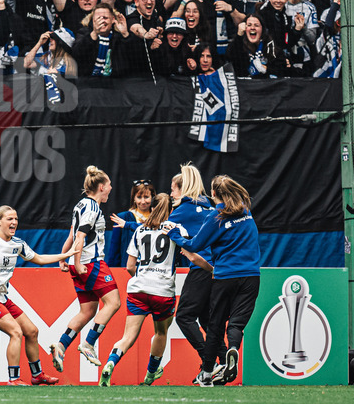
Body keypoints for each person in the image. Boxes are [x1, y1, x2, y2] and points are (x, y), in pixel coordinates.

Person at [166, 175, 261, 386]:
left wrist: (176, 235)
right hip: (252, 276)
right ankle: (233, 350)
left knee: (215, 326)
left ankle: (207, 373)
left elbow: (195, 245)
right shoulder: (246, 213)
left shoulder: (217, 216)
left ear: (214, 194)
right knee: (236, 323)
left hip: (225, 276)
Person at [0, 206, 77, 385]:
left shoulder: (18, 244)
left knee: (31, 331)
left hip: (2, 298)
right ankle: (13, 379)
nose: (14, 222)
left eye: (15, 219)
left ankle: (37, 375)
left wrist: (65, 255)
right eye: (9, 219)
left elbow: (38, 258)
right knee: (16, 332)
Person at [100, 193, 182, 386]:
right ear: (171, 211)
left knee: (127, 337)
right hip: (163, 291)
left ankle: (111, 363)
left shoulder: (140, 231)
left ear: (151, 208)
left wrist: (143, 278)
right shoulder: (175, 229)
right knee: (161, 333)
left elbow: (129, 266)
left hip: (138, 289)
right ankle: (150, 375)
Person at [51, 166, 122, 371]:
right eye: (109, 186)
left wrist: (64, 257)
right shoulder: (92, 207)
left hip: (79, 263)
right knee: (113, 302)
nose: (110, 189)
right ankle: (89, 343)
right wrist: (77, 262)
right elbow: (80, 236)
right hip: (90, 263)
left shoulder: (80, 204)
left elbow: (72, 234)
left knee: (88, 310)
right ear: (101, 187)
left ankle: (61, 346)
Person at [164, 164, 221, 383]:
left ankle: (210, 363)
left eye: (173, 189)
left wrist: (131, 225)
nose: (171, 193)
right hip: (215, 269)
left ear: (183, 188)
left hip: (200, 268)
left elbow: (159, 227)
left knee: (184, 316)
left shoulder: (183, 211)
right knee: (206, 320)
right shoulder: (208, 208)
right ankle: (224, 361)